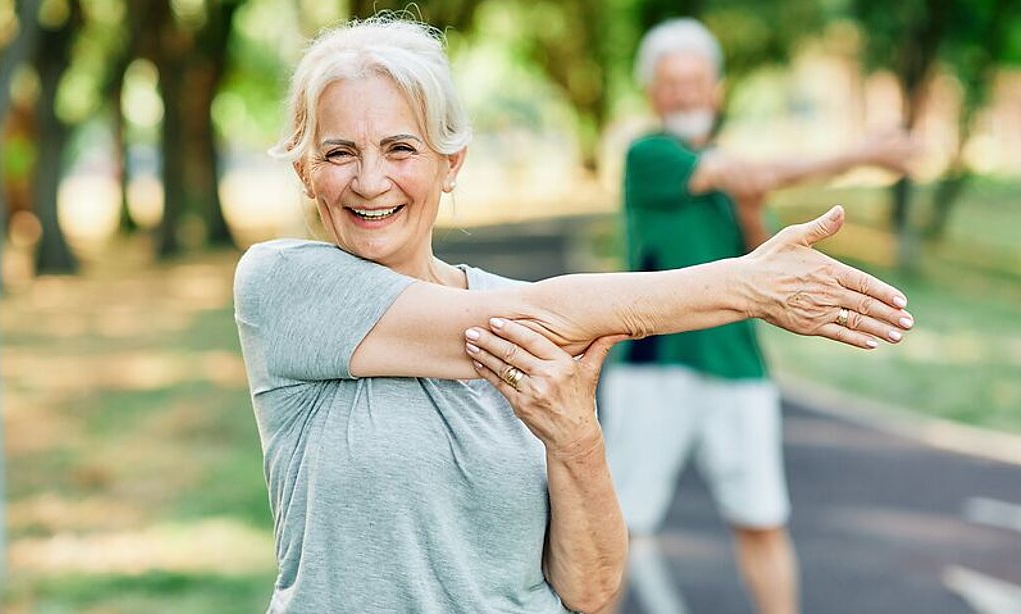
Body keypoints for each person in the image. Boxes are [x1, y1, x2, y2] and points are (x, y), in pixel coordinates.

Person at [233, 15, 914, 614]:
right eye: (339, 152)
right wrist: (749, 287)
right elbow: (534, 314)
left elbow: (589, 592)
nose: (370, 181)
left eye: (400, 148)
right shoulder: (284, 286)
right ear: (305, 171)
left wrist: (577, 441)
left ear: (452, 163)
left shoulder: (536, 319)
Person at [600, 18, 919, 614]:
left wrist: (751, 207)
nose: (685, 94)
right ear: (651, 93)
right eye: (671, 84)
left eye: (696, 82)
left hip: (738, 367)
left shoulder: (733, 173)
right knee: (618, 527)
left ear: (716, 89)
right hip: (655, 366)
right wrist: (861, 154)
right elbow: (744, 171)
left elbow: (761, 255)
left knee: (762, 523)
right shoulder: (650, 155)